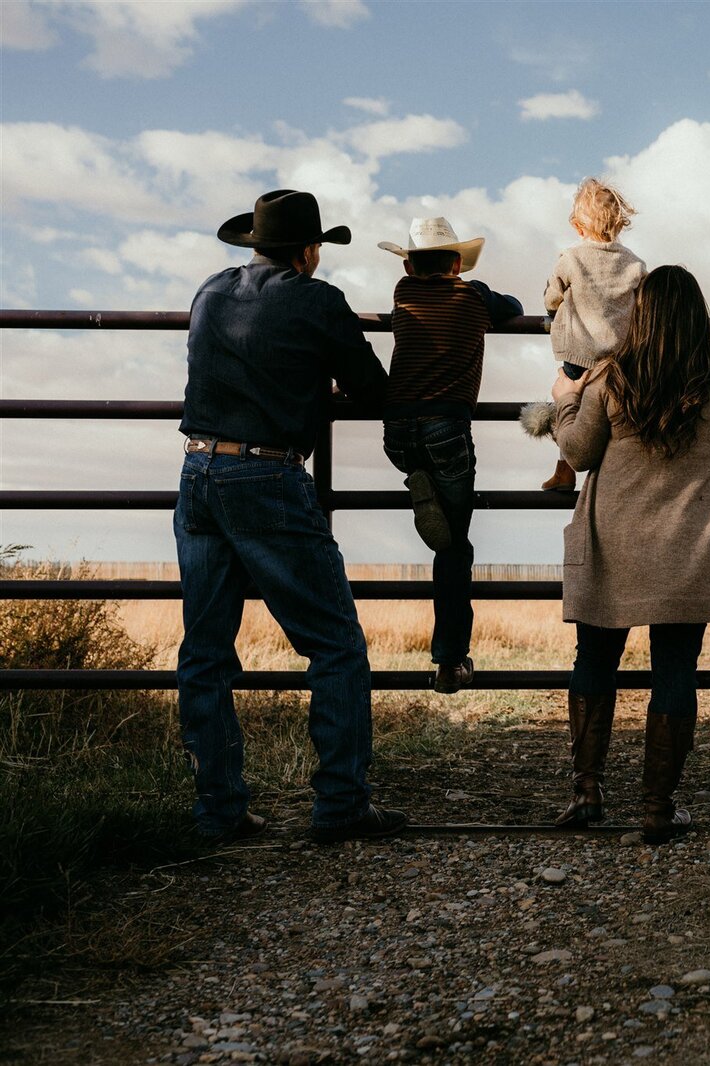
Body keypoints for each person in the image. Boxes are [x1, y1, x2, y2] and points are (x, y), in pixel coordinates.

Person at [176, 189, 406, 845]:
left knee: (206, 651)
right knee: (335, 645)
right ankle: (340, 806)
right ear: (310, 250)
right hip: (268, 476)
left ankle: (217, 812)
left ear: (253, 243)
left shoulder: (211, 293)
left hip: (197, 470)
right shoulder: (317, 300)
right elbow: (373, 389)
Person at [549, 265, 710, 844]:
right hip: (688, 546)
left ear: (638, 314)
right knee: (676, 671)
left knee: (594, 662)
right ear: (697, 316)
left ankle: (587, 792)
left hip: (613, 542)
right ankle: (656, 808)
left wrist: (563, 401)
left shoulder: (611, 377)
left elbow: (579, 449)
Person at [376, 217, 524, 694]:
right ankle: (450, 660)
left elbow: (416, 286)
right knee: (453, 548)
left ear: (409, 263)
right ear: (457, 263)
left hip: (397, 429)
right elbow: (515, 307)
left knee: (426, 477)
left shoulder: (402, 294)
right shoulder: (474, 297)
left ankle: (415, 476)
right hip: (446, 426)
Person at [540, 177, 647, 492]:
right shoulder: (635, 264)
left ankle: (565, 470)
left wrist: (555, 307)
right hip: (620, 360)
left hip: (580, 355)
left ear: (577, 225)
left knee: (569, 404)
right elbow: (645, 303)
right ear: (619, 224)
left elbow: (552, 297)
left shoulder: (572, 258)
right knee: (616, 415)